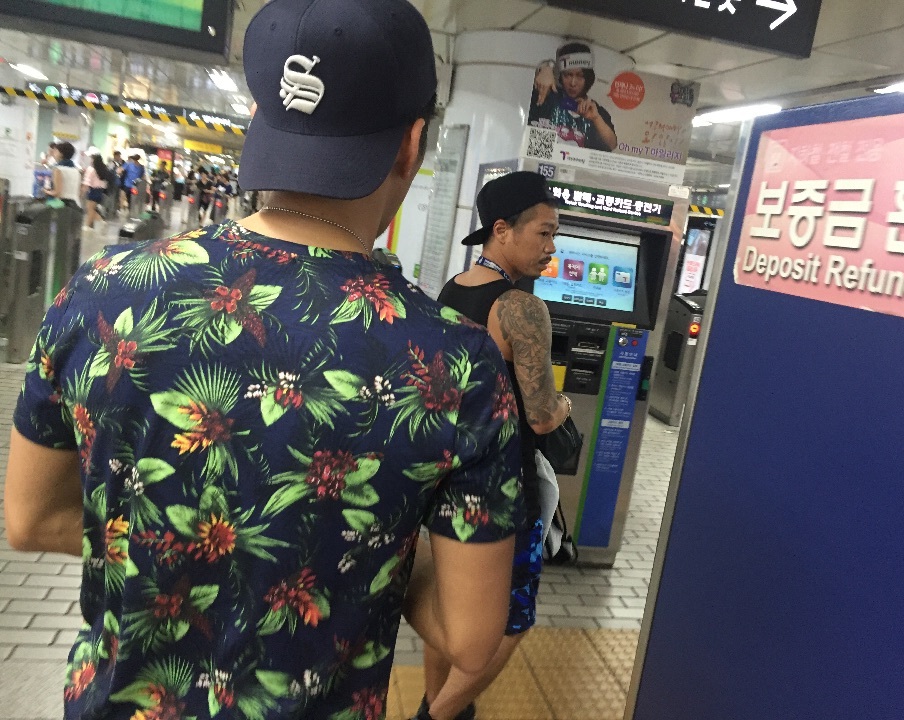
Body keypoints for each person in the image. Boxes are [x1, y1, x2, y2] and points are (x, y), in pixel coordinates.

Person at [3, 2, 523, 720]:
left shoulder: (102, 292)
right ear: (411, 144)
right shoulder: (457, 364)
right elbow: (470, 636)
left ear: (259, 117)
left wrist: (176, 543)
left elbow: (29, 519)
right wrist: (363, 545)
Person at [418, 172, 574, 720]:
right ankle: (437, 715)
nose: (551, 247)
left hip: (447, 475)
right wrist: (565, 405)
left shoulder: (453, 288)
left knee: (452, 610)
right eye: (544, 232)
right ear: (502, 229)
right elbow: (542, 415)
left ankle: (438, 703)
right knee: (511, 620)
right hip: (505, 486)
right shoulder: (520, 308)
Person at [528, 42, 618, 152]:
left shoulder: (595, 111)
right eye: (567, 75)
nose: (573, 83)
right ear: (560, 75)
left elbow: (612, 144)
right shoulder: (546, 97)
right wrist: (546, 68)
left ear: (588, 77)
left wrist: (596, 118)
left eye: (580, 76)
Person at [43, 141, 82, 206]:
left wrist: (45, 191)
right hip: (76, 204)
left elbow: (57, 192)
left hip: (62, 204)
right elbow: (79, 191)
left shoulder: (58, 169)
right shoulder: (77, 170)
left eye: (56, 151)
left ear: (61, 154)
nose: (54, 154)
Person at [80, 148, 111, 228]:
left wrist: (82, 192)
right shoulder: (102, 169)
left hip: (92, 191)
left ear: (92, 158)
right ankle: (92, 225)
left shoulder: (91, 169)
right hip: (100, 191)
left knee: (90, 210)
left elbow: (86, 182)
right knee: (93, 209)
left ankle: (90, 226)